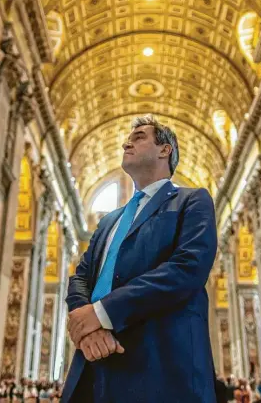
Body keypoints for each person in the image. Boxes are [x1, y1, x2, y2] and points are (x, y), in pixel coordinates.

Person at [61, 114, 218, 402]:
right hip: (94, 364)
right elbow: (81, 277)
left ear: (164, 150)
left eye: (139, 137)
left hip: (161, 369)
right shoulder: (109, 220)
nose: (126, 143)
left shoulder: (192, 200)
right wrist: (87, 330)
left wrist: (102, 312)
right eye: (128, 139)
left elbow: (188, 268)